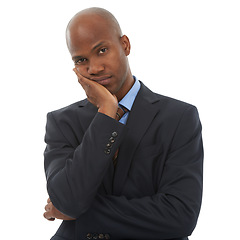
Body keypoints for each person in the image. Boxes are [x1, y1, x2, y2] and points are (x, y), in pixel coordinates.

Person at [43, 7, 203, 240]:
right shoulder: (62, 122)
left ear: (125, 45)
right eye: (81, 60)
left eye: (102, 50)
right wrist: (107, 112)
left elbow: (180, 215)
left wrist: (82, 214)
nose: (94, 68)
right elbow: (68, 199)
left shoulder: (179, 117)